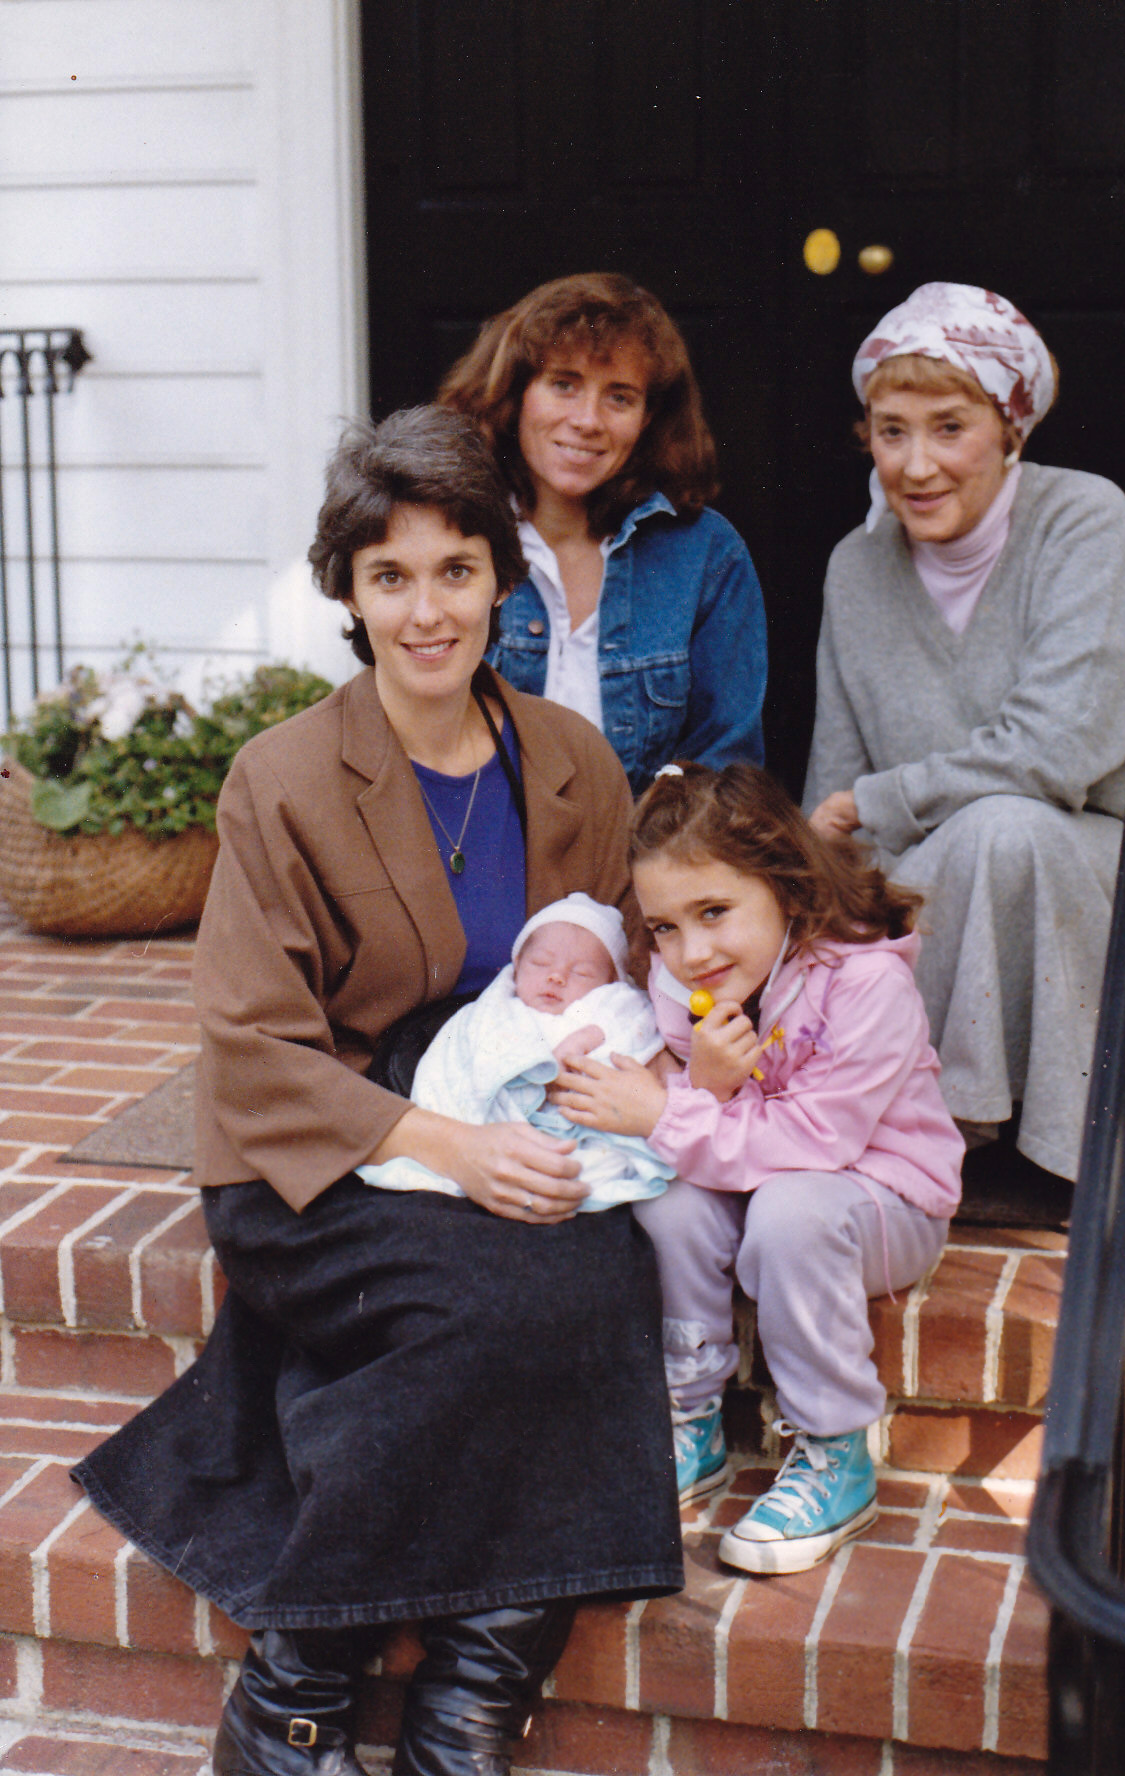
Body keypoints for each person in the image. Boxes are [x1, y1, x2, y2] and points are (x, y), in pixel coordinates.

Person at [71, 407, 684, 1776]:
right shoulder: (282, 777)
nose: (427, 610)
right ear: (347, 591)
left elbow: (625, 972)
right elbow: (249, 1041)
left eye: (456, 569)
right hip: (326, 1144)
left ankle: (464, 1712)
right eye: (390, 575)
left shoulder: (571, 761)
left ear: (501, 578)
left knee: (599, 1277)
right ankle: (292, 1696)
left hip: (516, 1115)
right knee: (492, 1310)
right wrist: (446, 1149)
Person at [553, 761, 963, 1574]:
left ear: (786, 886)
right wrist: (698, 1086)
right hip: (763, 1183)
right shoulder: (685, 984)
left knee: (789, 1213)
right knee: (668, 1202)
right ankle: (690, 1418)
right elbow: (700, 1127)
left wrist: (669, 1109)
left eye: (714, 912)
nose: (692, 951)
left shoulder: (866, 984)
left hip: (882, 1197)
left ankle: (835, 1449)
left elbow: (817, 1141)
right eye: (666, 927)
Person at [804, 282, 1125, 1181]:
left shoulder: (1084, 521)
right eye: (892, 431)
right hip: (923, 890)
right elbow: (830, 801)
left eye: (949, 428)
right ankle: (913, 1138)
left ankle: (985, 1149)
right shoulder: (855, 567)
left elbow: (1058, 749)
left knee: (1006, 830)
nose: (917, 465)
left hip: (1084, 865)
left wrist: (881, 800)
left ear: (1010, 429)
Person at [438, 271, 768, 792]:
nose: (588, 420)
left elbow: (724, 765)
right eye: (564, 384)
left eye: (619, 397)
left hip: (650, 842)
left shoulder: (706, 554)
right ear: (517, 392)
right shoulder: (451, 537)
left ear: (648, 417)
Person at [358, 892, 674, 1211]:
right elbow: (454, 1071)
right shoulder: (492, 1015)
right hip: (490, 1136)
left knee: (592, 1169)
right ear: (518, 965)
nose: (556, 976)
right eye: (540, 963)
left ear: (611, 982)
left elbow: (632, 1025)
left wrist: (588, 1038)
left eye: (582, 973)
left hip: (584, 1134)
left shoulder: (608, 1011)